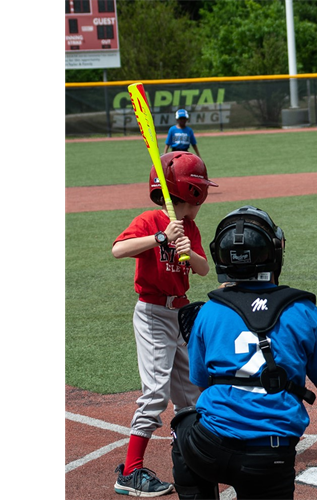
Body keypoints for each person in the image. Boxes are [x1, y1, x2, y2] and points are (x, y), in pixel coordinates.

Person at [169, 205, 317, 500]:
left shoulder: (209, 311)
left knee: (183, 427)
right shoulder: (303, 310)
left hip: (210, 447)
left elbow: (201, 384)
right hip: (270, 458)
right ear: (275, 254)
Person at [111, 151, 218, 497]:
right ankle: (130, 472)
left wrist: (189, 248)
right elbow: (119, 250)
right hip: (154, 313)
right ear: (191, 193)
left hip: (180, 314)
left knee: (190, 392)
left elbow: (202, 271)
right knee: (156, 392)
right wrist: (160, 238)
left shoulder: (189, 228)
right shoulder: (150, 221)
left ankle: (192, 456)